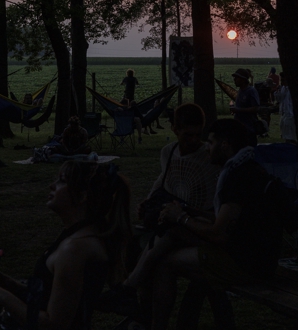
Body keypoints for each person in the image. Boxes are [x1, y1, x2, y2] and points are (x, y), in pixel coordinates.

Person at [101, 119, 284, 330]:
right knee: (172, 232)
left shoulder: (238, 177)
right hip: (246, 252)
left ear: (224, 145)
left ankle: (135, 301)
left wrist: (182, 217)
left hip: (246, 263)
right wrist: (189, 212)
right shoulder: (244, 169)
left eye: (211, 142)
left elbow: (217, 233)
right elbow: (225, 220)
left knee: (166, 261)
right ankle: (130, 293)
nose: (206, 148)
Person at [0, 160, 131, 330]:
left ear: (83, 195)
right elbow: (51, 296)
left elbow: (55, 324)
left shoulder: (75, 249)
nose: (52, 185)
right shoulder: (80, 234)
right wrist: (9, 284)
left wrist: (2, 296)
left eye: (62, 181)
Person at [137, 103, 219, 223]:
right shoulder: (168, 152)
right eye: (188, 135)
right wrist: (149, 200)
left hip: (201, 218)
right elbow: (164, 178)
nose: (194, 140)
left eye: (198, 134)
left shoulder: (210, 155)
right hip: (172, 216)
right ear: (175, 130)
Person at [230, 68, 260, 144]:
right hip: (239, 129)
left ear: (243, 80)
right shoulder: (240, 91)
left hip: (249, 130)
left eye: (237, 78)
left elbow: (256, 108)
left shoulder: (251, 91)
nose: (234, 79)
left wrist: (238, 110)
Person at [275, 72, 297, 144]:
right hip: (284, 113)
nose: (282, 81)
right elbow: (279, 99)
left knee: (290, 134)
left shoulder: (293, 89)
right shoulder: (283, 88)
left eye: (283, 80)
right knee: (284, 132)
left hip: (290, 114)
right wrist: (277, 90)